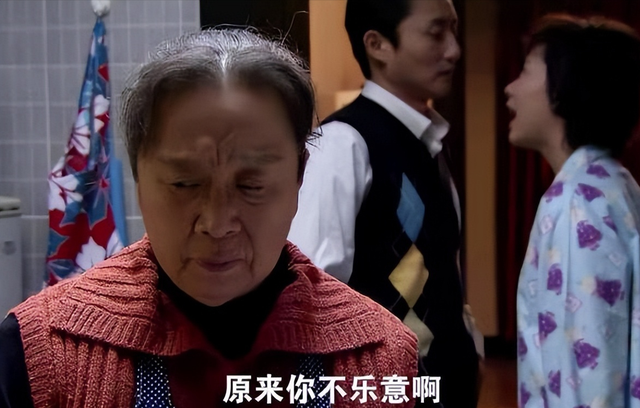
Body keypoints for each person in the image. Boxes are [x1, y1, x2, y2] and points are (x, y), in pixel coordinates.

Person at [0, 28, 419, 408]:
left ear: (299, 178)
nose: (217, 224)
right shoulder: (40, 353)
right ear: (139, 180)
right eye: (184, 184)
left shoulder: (383, 359)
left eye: (251, 186)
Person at [289, 0, 481, 406]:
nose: (454, 50)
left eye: (454, 30)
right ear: (377, 45)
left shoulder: (431, 145)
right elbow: (311, 294)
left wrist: (470, 348)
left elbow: (444, 273)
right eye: (436, 32)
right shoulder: (343, 143)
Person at [506, 14, 640, 407]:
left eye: (526, 71)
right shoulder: (617, 184)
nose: (510, 89)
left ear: (564, 87)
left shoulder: (576, 202)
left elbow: (585, 374)